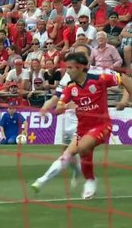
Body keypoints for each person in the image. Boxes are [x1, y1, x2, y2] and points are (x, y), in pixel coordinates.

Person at [32, 52, 132, 199]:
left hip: (102, 125)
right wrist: (66, 107)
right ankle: (89, 180)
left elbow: (124, 79)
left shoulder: (100, 79)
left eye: (70, 67)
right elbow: (58, 110)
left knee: (82, 148)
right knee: (72, 154)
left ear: (80, 68)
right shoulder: (69, 88)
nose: (67, 71)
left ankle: (86, 178)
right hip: (82, 129)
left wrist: (125, 100)